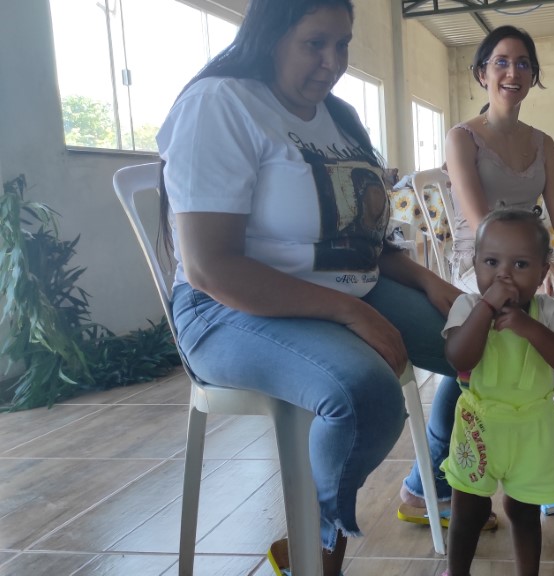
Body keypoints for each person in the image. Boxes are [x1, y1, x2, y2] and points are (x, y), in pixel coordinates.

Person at [156, 1, 461, 573]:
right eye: (314, 43)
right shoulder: (221, 104)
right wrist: (350, 312)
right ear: (270, 35)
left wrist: (430, 282)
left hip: (349, 289)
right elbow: (210, 267)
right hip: (227, 308)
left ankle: (438, 486)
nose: (332, 62)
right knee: (366, 395)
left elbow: (365, 241)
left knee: (483, 337)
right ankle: (315, 549)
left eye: (342, 44)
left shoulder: (339, 116)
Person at [399, 25, 554, 527]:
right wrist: (529, 272)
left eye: (523, 63)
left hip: (532, 257)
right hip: (481, 261)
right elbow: (480, 222)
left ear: (533, 76)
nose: (512, 71)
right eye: (501, 61)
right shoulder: (462, 137)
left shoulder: (543, 143)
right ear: (482, 73)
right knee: (496, 322)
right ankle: (426, 479)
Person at [441, 208, 554, 576]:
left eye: (520, 264)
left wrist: (531, 328)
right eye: (491, 262)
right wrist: (486, 309)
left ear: (543, 272)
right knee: (468, 510)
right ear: (475, 263)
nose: (503, 275)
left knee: (524, 511)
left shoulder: (551, 312)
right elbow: (459, 357)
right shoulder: (468, 306)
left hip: (533, 433)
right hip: (478, 428)